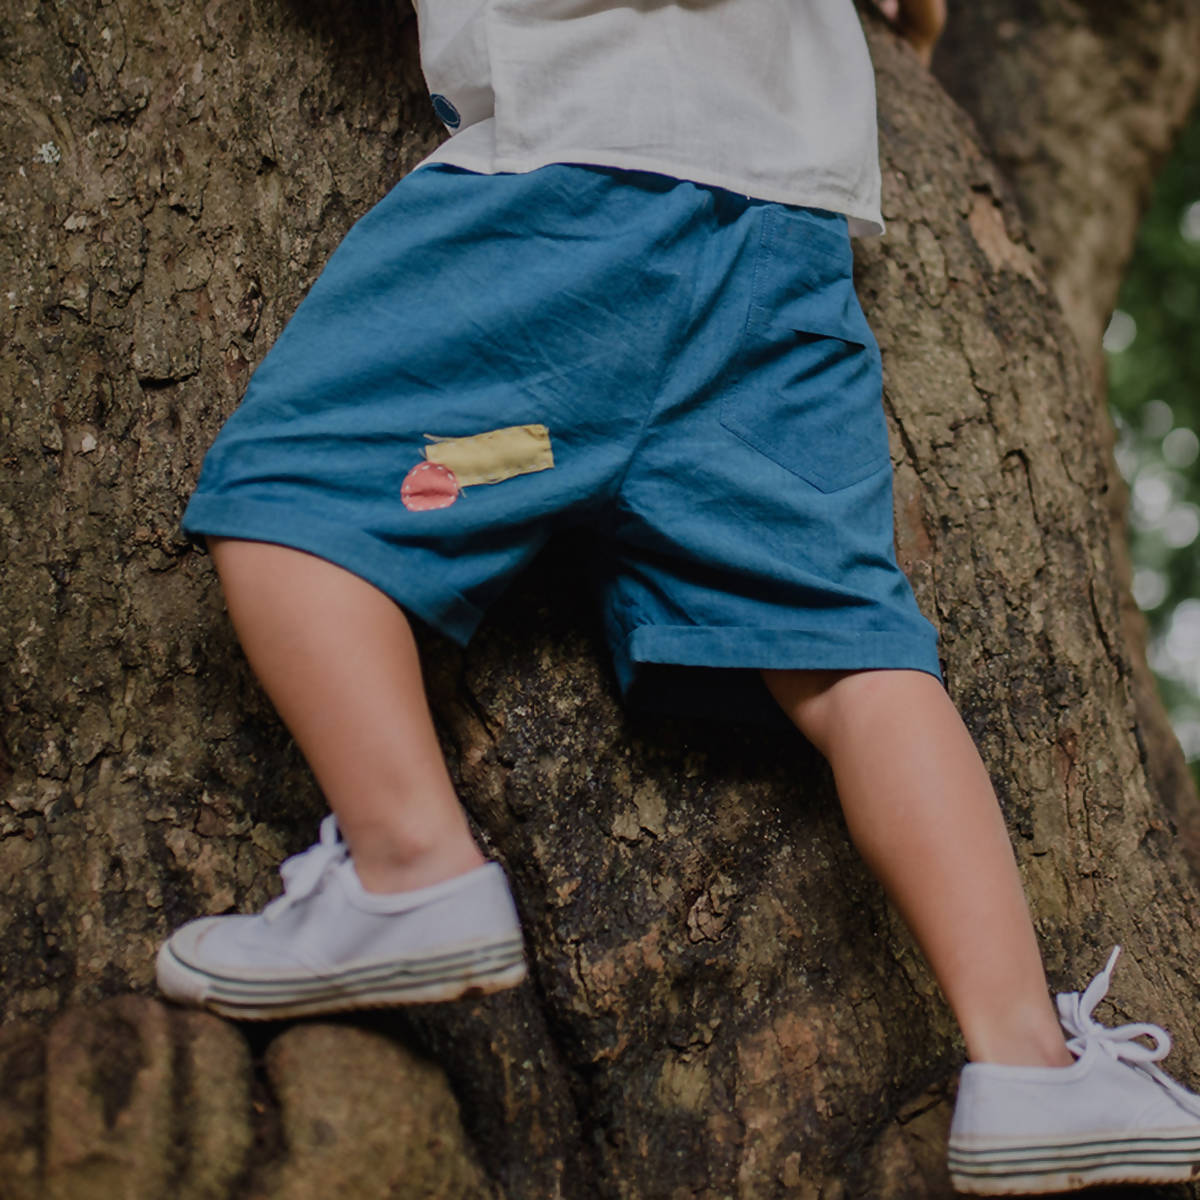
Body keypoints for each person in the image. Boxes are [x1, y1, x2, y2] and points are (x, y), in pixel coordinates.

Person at [154, 0, 1200, 1191]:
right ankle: (1031, 1067)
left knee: (297, 490)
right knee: (855, 657)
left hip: (573, 185)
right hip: (783, 242)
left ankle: (410, 862)